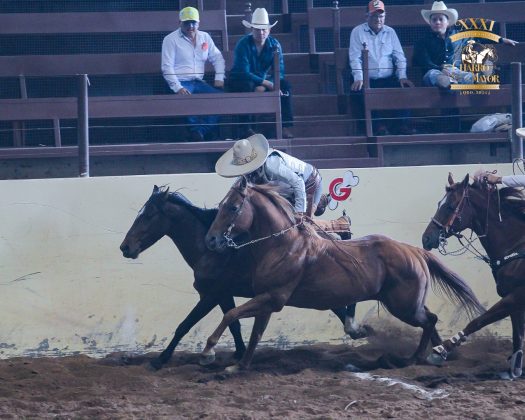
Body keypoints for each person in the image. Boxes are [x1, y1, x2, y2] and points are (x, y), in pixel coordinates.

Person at [349, 0, 415, 135]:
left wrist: (402, 77)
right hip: (367, 78)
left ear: (385, 17)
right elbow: (355, 57)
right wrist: (359, 78)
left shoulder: (391, 32)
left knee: (405, 89)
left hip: (388, 77)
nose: (378, 19)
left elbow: (400, 57)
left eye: (381, 16)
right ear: (366, 16)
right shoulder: (357, 31)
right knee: (357, 92)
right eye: (374, 16)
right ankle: (377, 127)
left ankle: (401, 126)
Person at [215, 133, 322, 217]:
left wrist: (300, 212)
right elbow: (236, 188)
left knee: (303, 224)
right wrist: (223, 205)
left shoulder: (272, 165)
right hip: (288, 191)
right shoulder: (246, 174)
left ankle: (318, 204)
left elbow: (298, 182)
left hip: (309, 182)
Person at [228, 8, 294, 139]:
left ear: (269, 30)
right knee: (245, 85)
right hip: (240, 79)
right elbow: (243, 72)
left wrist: (266, 85)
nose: (261, 32)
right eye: (257, 29)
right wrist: (265, 83)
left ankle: (284, 126)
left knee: (285, 85)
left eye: (264, 29)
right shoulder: (243, 44)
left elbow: (279, 71)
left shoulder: (275, 45)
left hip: (263, 80)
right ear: (252, 30)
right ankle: (245, 128)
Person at [161, 7, 225, 141]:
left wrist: (219, 77)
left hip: (198, 82)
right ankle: (198, 132)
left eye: (193, 23)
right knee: (186, 98)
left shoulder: (205, 37)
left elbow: (217, 57)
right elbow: (167, 67)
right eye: (186, 23)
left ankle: (199, 132)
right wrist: (178, 87)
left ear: (199, 23)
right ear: (180, 23)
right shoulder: (170, 39)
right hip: (181, 81)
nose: (190, 26)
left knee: (221, 99)